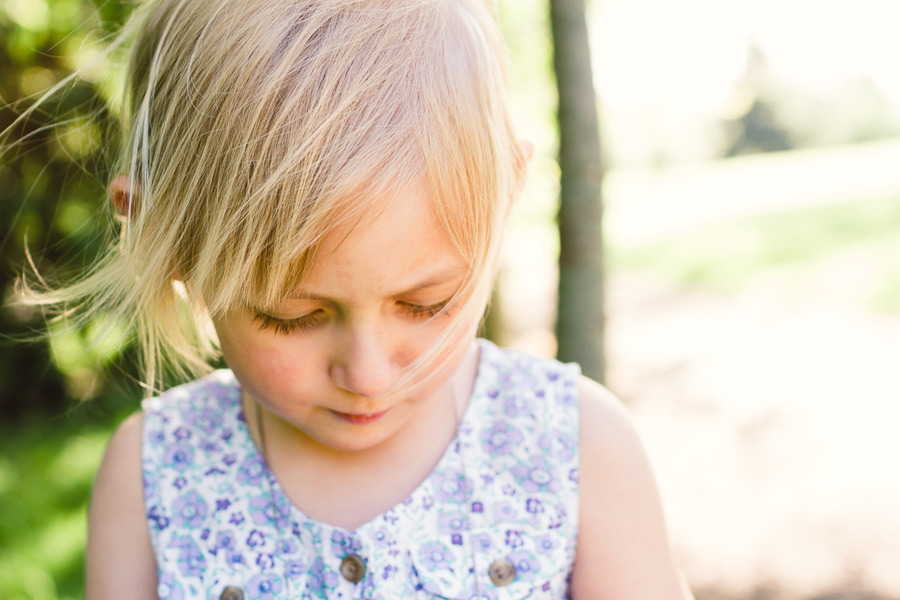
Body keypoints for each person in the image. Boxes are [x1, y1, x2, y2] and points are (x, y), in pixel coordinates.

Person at [16, 0, 693, 597]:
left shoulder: (569, 444)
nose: (368, 375)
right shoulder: (153, 478)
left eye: (426, 303)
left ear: (504, 201)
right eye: (293, 316)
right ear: (165, 244)